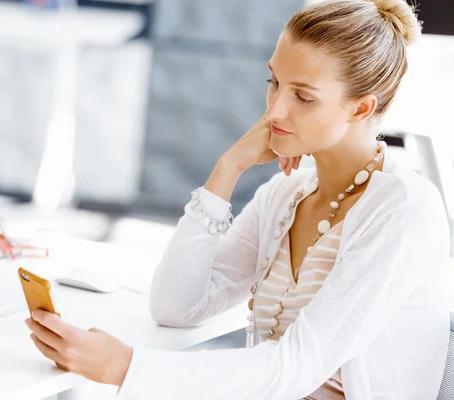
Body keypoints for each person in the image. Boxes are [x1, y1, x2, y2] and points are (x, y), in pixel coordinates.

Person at [24, 0, 452, 398]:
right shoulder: (285, 195)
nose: (274, 111)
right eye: (274, 83)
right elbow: (177, 307)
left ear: (360, 109)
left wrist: (126, 367)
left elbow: (297, 366)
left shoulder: (404, 208)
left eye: (302, 96)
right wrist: (226, 170)